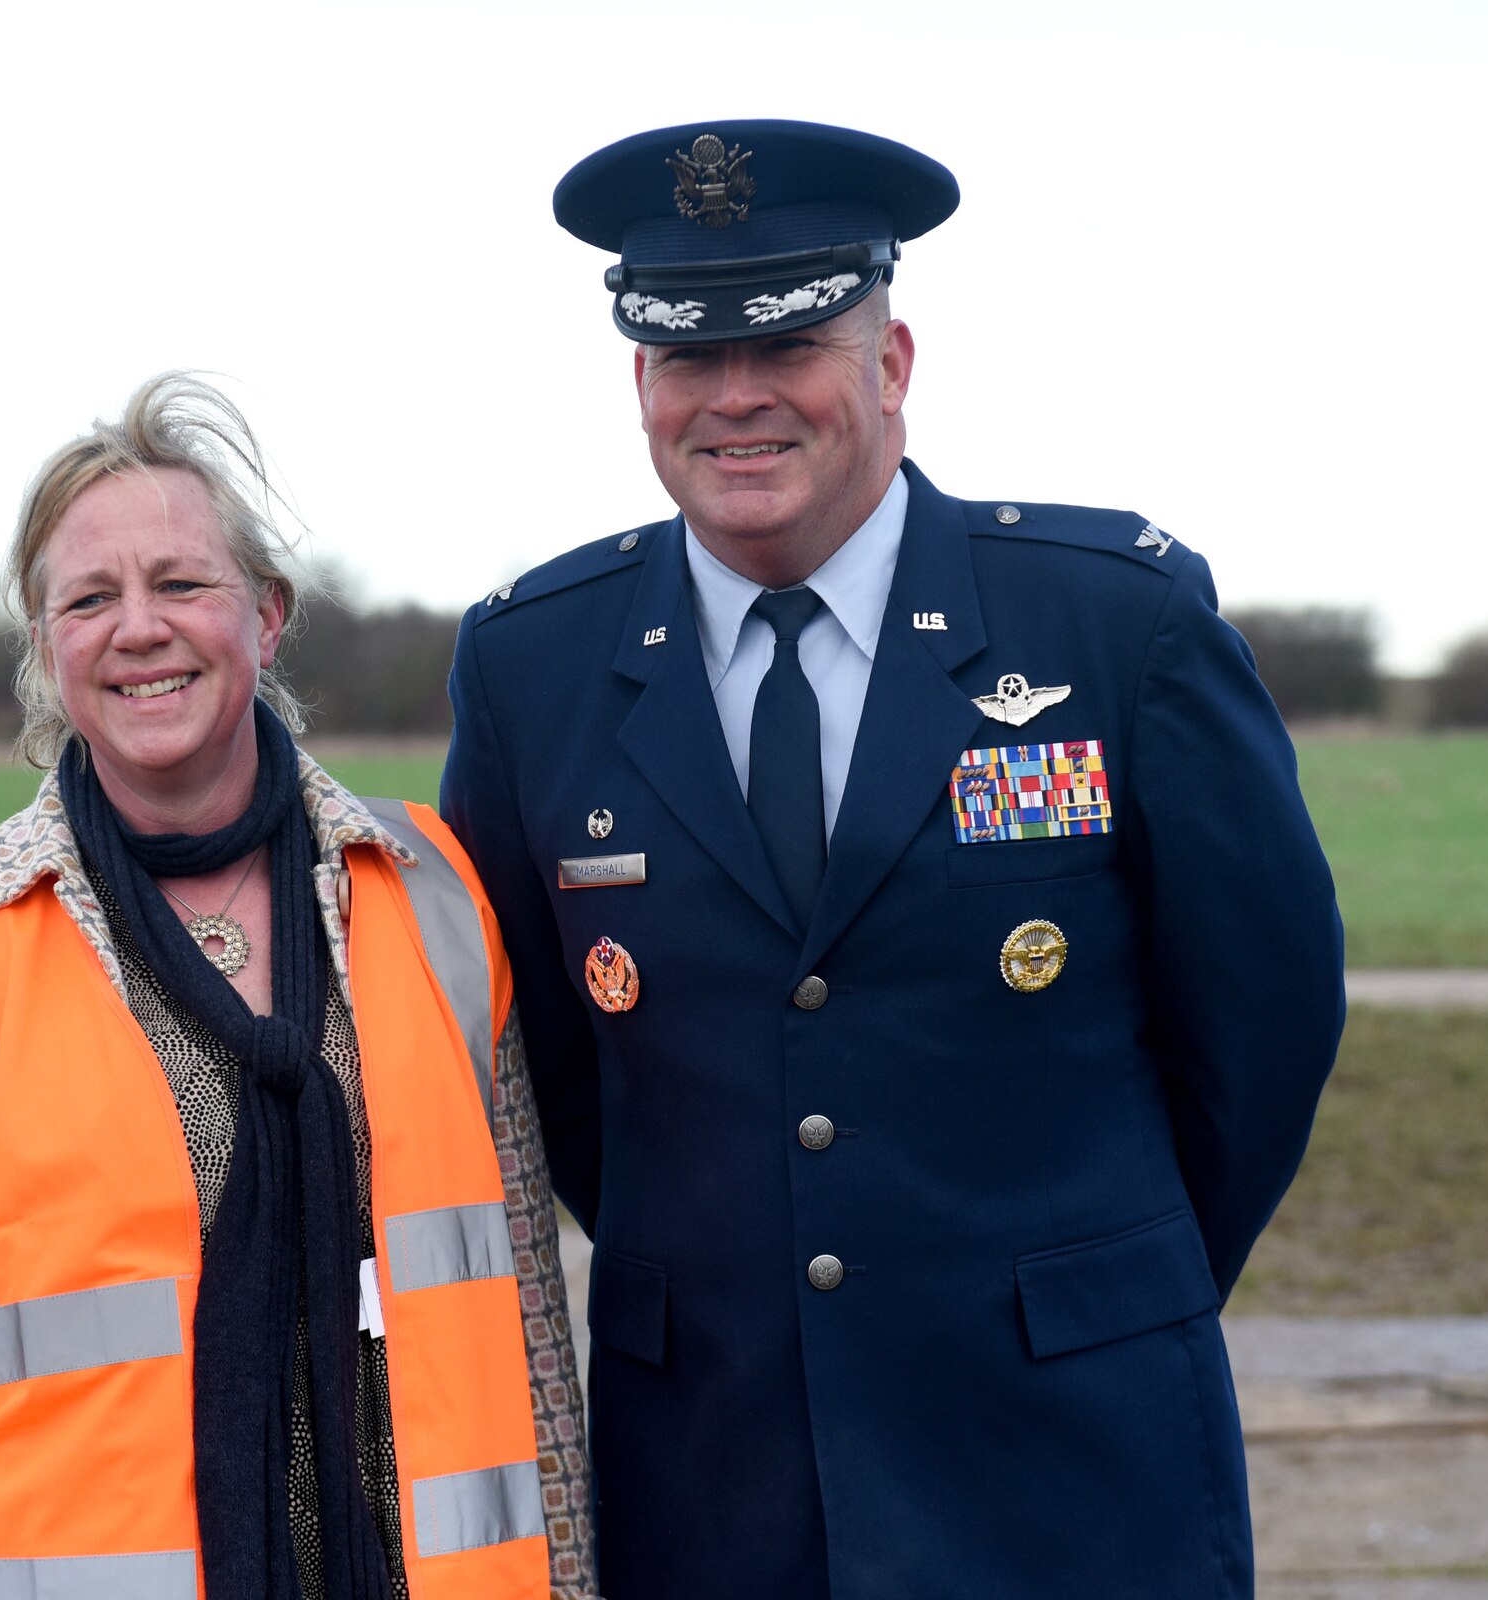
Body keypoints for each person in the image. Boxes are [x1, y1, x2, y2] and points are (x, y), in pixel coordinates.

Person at [440, 120, 1344, 1598]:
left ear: (892, 362)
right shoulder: (534, 664)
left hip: (1069, 1455)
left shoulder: (1116, 624)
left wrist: (1097, 1285)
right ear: (639, 387)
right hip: (716, 1474)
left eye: (790, 342)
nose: (737, 399)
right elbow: (542, 1069)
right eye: (688, 360)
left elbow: (1263, 1027)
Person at [0, 373, 596, 1600]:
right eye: (89, 597)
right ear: (45, 643)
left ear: (267, 615)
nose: (139, 627)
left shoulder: (434, 898)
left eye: (181, 583)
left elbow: (530, 1337)